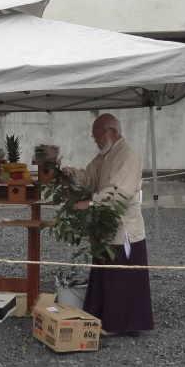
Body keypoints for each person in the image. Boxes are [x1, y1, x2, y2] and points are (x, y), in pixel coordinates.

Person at [62, 113, 153, 337]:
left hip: (125, 228)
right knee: (107, 276)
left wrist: (91, 202)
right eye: (93, 137)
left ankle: (121, 324)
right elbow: (88, 177)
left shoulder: (127, 156)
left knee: (120, 280)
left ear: (110, 131)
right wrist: (69, 173)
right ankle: (104, 317)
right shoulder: (105, 156)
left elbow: (119, 193)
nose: (95, 140)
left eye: (96, 136)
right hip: (106, 227)